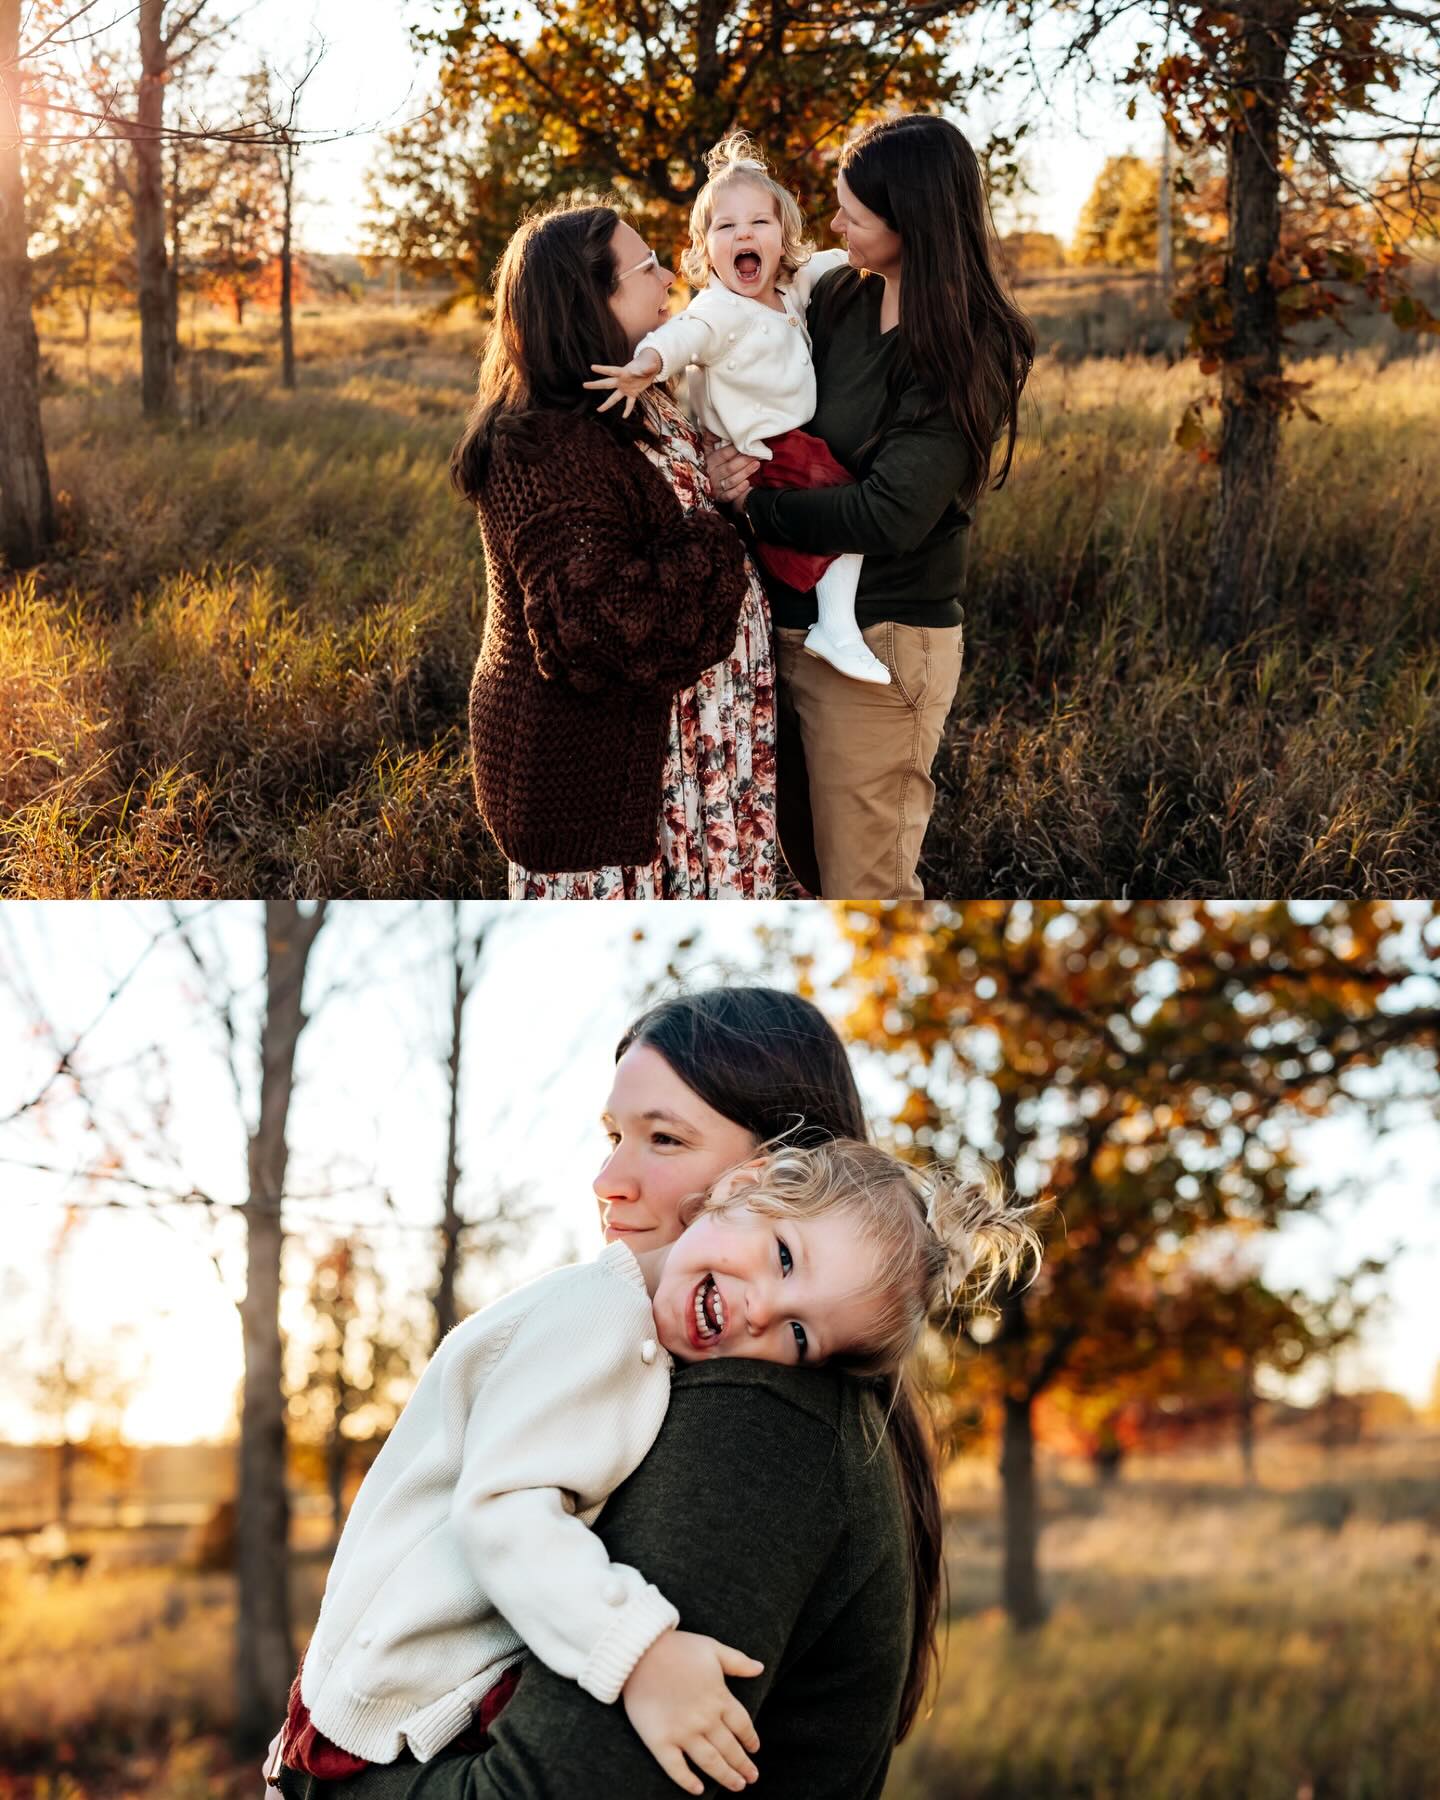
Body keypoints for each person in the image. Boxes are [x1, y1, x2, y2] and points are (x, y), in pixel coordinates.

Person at [270, 987, 1037, 1800]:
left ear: (771, 1164)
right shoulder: (609, 1321)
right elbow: (500, 1516)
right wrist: (636, 1646)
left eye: (664, 1138)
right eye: (613, 1136)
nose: (608, 1181)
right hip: (372, 1711)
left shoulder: (759, 1412)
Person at [705, 115, 1037, 901]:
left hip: (884, 644)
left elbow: (892, 514)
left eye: (853, 211)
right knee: (816, 876)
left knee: (866, 892)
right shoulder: (839, 297)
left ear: (911, 220)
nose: (834, 224)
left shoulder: (963, 343)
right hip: (784, 626)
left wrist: (757, 503)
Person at [452, 199, 777, 900]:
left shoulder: (640, 395)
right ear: (591, 299)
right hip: (623, 788)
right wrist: (720, 525)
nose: (668, 278)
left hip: (701, 764)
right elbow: (604, 627)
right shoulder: (539, 445)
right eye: (648, 265)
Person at [587, 134, 888, 686]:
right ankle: (837, 627)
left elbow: (832, 261)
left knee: (834, 518)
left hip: (789, 440)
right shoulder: (719, 308)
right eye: (725, 227)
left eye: (759, 224)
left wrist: (885, 243)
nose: (743, 234)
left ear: (783, 236)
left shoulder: (787, 287)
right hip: (763, 448)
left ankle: (827, 620)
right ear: (704, 247)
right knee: (843, 510)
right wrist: (647, 363)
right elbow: (684, 333)